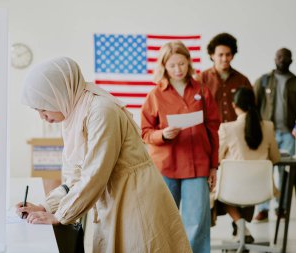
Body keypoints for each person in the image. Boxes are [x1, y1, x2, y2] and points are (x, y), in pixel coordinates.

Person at [16, 57, 192, 253]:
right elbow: (76, 176)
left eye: (43, 107)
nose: (42, 116)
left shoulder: (101, 111)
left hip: (135, 200)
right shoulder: (75, 114)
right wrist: (46, 206)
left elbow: (95, 174)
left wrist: (62, 215)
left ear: (59, 94)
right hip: (114, 200)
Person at [141, 41, 220, 253]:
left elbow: (213, 130)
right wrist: (163, 135)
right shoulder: (155, 95)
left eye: (182, 64)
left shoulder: (202, 91)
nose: (178, 69)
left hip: (197, 166)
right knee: (165, 221)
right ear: (164, 66)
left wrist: (214, 166)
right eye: (173, 65)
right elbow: (144, 132)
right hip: (166, 166)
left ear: (189, 63)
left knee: (197, 224)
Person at [218, 87, 281, 242]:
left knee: (216, 190)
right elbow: (276, 158)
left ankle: (239, 225)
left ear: (234, 105)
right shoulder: (268, 126)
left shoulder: (227, 128)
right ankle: (242, 229)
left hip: (232, 189)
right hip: (260, 189)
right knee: (246, 188)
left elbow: (217, 158)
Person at [253, 48, 296, 222]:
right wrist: (256, 128)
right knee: (265, 170)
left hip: (288, 134)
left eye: (286, 57)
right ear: (275, 59)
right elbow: (253, 106)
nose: (282, 59)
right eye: (279, 56)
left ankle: (282, 208)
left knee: (285, 172)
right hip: (266, 134)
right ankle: (263, 208)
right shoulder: (264, 80)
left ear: (291, 60)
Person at [199, 32, 252, 123]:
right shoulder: (202, 78)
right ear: (212, 55)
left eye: (228, 54)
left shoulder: (242, 80)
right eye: (220, 55)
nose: (224, 59)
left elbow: (250, 108)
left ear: (232, 55)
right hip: (213, 133)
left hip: (236, 132)